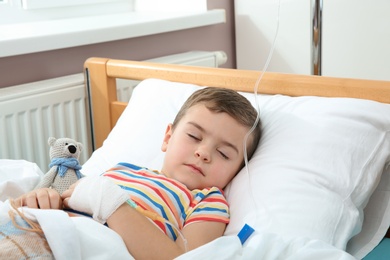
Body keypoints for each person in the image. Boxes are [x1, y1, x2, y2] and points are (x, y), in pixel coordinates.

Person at [15, 87, 261, 259]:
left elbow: (181, 258)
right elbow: (70, 200)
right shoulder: (122, 170)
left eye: (224, 154)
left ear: (236, 171)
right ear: (167, 137)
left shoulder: (208, 201)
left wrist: (110, 202)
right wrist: (43, 199)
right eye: (194, 136)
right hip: (43, 231)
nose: (204, 153)